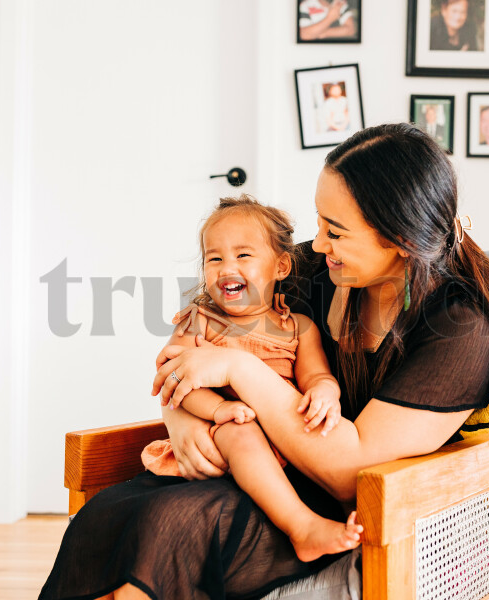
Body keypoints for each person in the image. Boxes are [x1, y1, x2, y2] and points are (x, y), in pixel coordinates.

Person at [39, 123, 489, 600]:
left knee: (170, 526)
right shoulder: (312, 270)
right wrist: (184, 416)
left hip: (344, 500)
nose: (316, 245)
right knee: (108, 512)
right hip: (255, 460)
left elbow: (347, 471)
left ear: (400, 240)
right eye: (319, 221)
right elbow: (193, 335)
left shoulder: (461, 328)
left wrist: (237, 370)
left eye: (335, 232)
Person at [140, 195, 363, 562]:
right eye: (215, 258)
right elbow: (175, 382)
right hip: (224, 434)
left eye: (243, 255)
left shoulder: (298, 327)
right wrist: (218, 411)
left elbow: (317, 374)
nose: (227, 266)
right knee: (241, 430)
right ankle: (302, 528)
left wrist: (326, 391)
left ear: (280, 266)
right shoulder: (200, 321)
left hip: (284, 438)